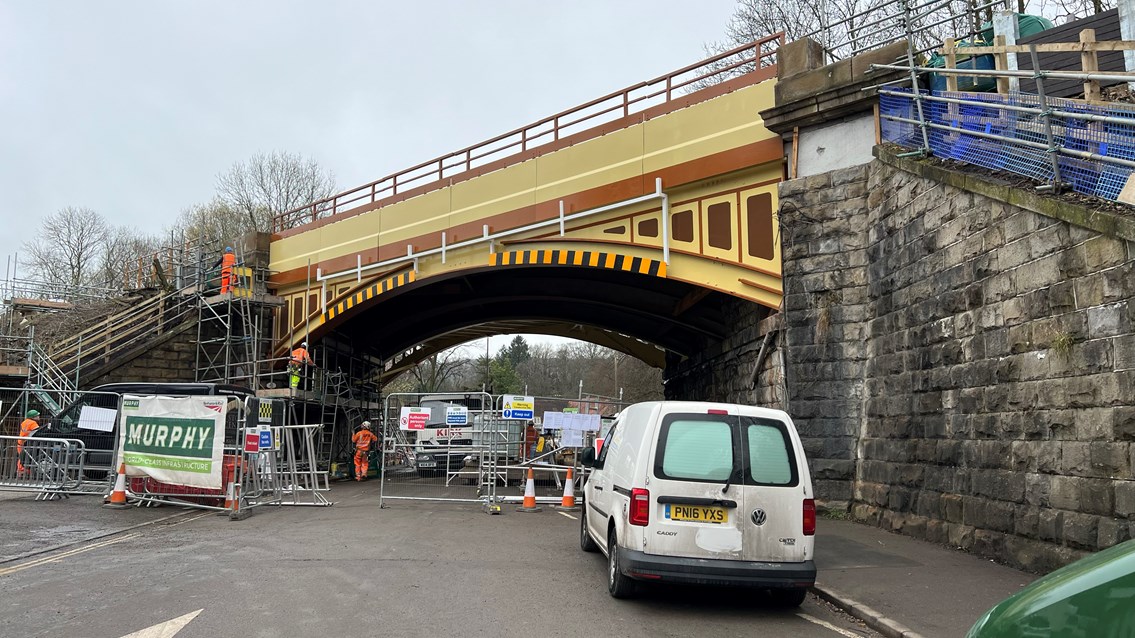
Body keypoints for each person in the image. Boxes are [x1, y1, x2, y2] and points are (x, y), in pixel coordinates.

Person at [17, 410, 40, 477]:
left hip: (21, 442)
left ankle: (21, 471)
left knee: (21, 457)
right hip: (26, 443)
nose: (39, 417)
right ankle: (22, 472)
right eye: (37, 415)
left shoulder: (24, 422)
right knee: (23, 458)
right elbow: (37, 432)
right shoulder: (33, 423)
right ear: (33, 417)